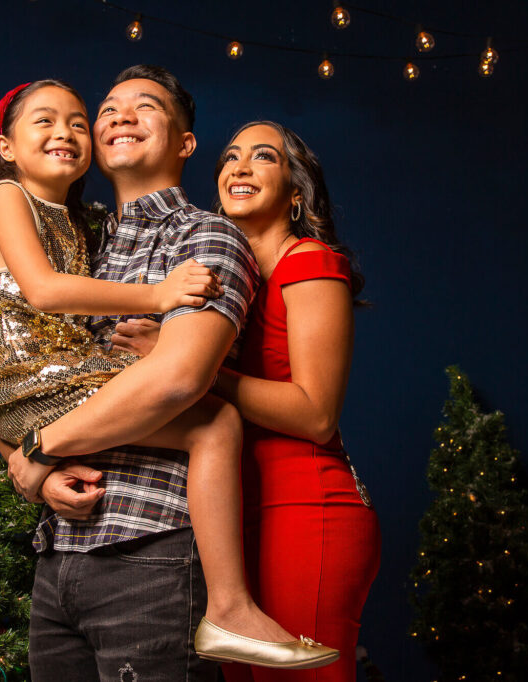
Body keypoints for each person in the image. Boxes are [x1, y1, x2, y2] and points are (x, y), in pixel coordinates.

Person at [0, 76, 337, 681]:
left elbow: (178, 379)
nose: (116, 118)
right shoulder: (78, 242)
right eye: (107, 110)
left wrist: (37, 450)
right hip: (58, 562)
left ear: (185, 144)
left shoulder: (203, 237)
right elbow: (15, 368)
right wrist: (31, 472)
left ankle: (231, 609)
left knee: (213, 421)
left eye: (144, 107)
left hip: (149, 557)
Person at [115, 121, 381, 682]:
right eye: (231, 157)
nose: (239, 167)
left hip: (305, 508)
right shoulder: (217, 278)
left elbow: (315, 413)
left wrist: (187, 363)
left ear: (296, 191)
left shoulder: (309, 262)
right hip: (232, 520)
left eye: (264, 157)